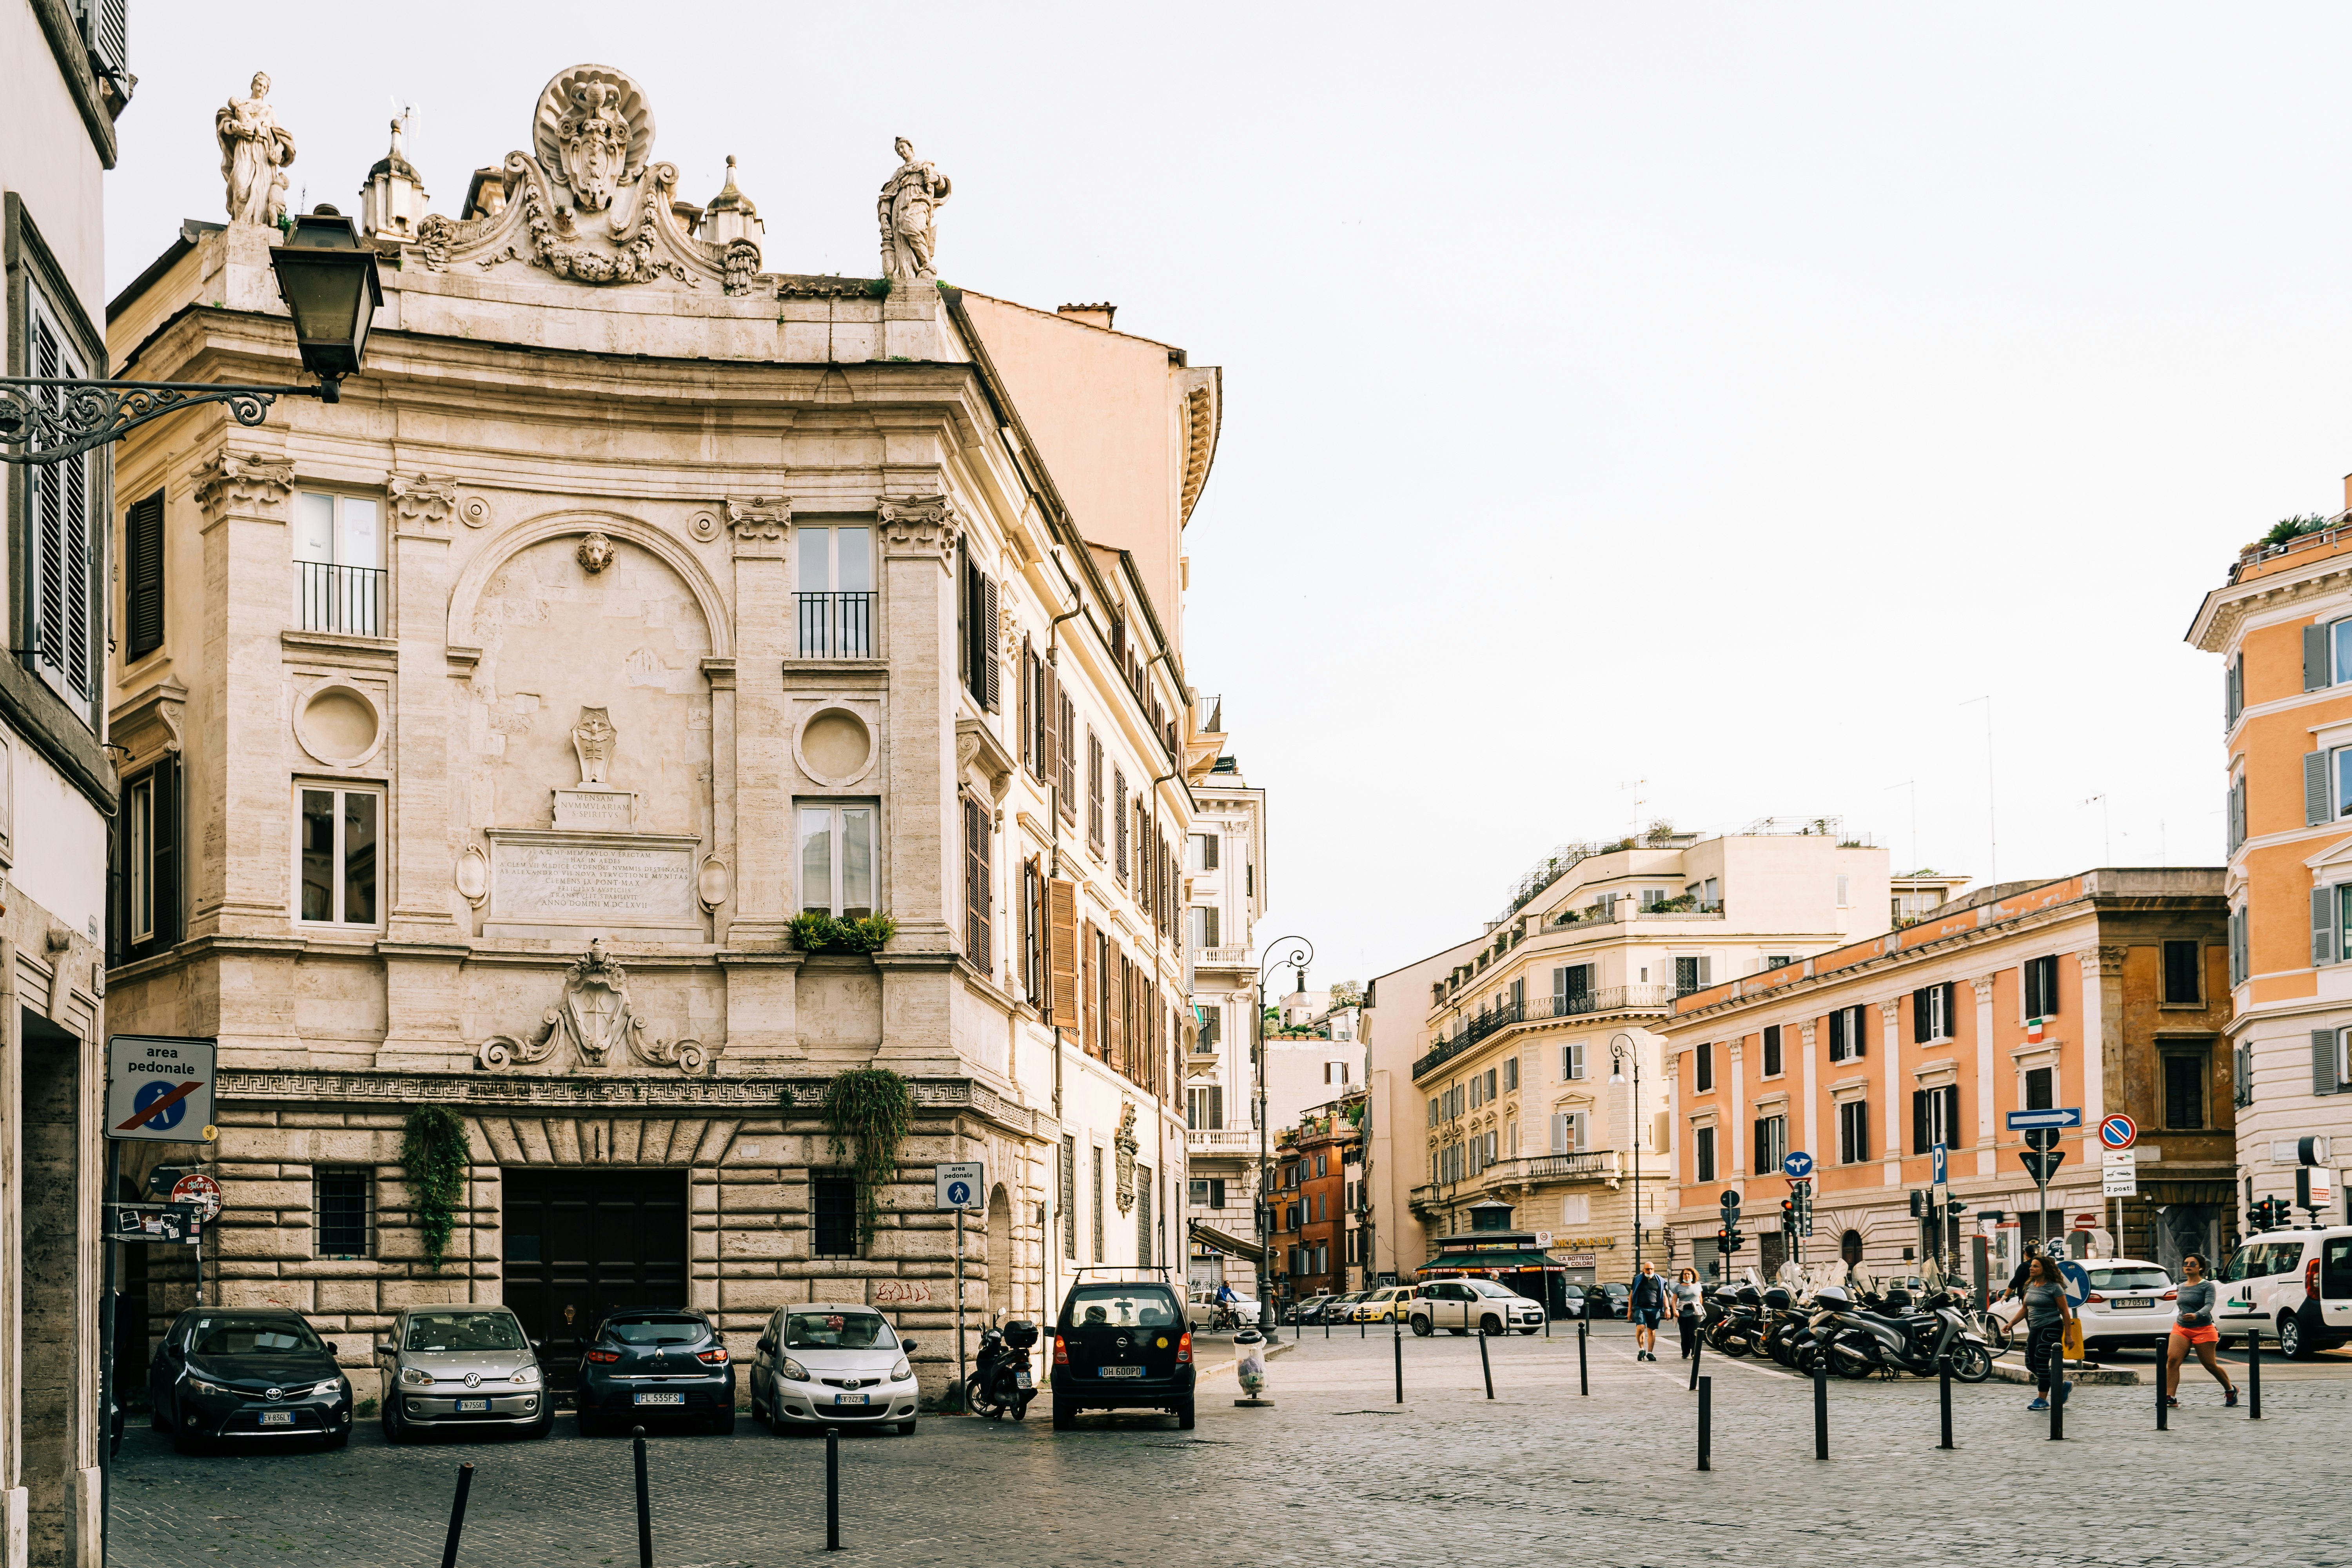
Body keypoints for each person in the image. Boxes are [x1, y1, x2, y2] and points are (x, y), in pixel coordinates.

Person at [2164, 1252, 2239, 1408]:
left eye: (2192, 1264)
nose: (2188, 1267)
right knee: (2173, 1360)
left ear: (2201, 1268)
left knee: (2210, 1365)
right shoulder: (2181, 1287)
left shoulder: (2207, 1286)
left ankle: (2230, 1390)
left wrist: (2197, 1315)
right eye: (2186, 1264)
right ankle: (2170, 1397)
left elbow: (2209, 1305)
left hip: (2203, 1328)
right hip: (2181, 1328)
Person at [2019, 1252, 2075, 1413]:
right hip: (2035, 1327)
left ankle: (2042, 1399)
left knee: (2041, 1362)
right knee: (2030, 1363)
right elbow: (2025, 1309)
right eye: (2032, 1265)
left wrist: (2069, 1336)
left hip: (2052, 1326)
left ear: (2045, 1269)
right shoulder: (2030, 1285)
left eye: (2036, 1266)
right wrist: (2010, 1324)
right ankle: (2062, 1385)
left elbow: (2065, 1312)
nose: (2032, 1268)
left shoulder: (2055, 1287)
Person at [1628, 1262, 1667, 1361]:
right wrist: (1629, 1311)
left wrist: (1668, 1309)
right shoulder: (1637, 1280)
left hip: (1654, 1308)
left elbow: (1664, 1296)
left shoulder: (1660, 1281)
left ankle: (1650, 1353)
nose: (1649, 1271)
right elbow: (1631, 1295)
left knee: (1651, 1331)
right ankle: (1641, 1349)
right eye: (1647, 1269)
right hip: (1640, 1307)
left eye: (1651, 1269)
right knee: (1641, 1328)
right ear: (1643, 1270)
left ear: (1654, 1269)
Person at [1673, 1267, 1704, 1359]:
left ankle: (1695, 1353)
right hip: (1683, 1313)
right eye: (1685, 1274)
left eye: (1689, 1274)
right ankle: (1685, 1352)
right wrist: (1675, 1310)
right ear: (1682, 1276)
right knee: (1684, 1334)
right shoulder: (1678, 1287)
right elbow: (1674, 1300)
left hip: (1695, 1313)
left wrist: (1700, 1309)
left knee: (1694, 1333)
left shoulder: (1698, 1285)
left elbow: (1700, 1299)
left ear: (1693, 1275)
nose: (1687, 1276)